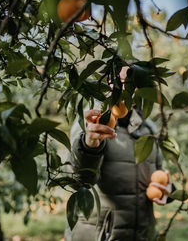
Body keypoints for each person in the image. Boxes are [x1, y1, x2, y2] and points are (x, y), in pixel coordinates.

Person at [64, 99, 173, 240]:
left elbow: (157, 172)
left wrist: (167, 189)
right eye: (119, 78)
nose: (125, 84)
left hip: (142, 234)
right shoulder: (92, 120)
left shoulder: (149, 126)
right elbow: (77, 181)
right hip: (100, 235)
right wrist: (89, 147)